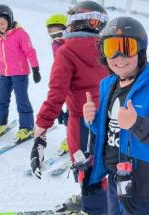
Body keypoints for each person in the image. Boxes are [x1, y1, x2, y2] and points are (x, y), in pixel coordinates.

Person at [83, 16, 149, 215]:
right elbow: (112, 128)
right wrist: (92, 120)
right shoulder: (108, 84)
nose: (119, 57)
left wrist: (137, 123)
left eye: (127, 48)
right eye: (112, 48)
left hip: (146, 182)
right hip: (116, 175)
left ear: (140, 51)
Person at [30, 1, 109, 214]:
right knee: (104, 165)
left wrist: (41, 127)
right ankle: (102, 203)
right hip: (112, 119)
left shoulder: (66, 52)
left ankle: (94, 208)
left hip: (82, 122)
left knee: (87, 169)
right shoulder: (109, 48)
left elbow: (56, 94)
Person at [0, 4, 40, 142]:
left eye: (2, 23)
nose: (0, 26)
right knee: (1, 99)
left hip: (20, 73)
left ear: (9, 20)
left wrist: (35, 69)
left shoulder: (20, 34)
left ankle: (27, 127)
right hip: (4, 73)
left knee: (21, 100)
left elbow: (30, 52)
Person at [45, 13, 69, 155]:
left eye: (59, 33)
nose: (56, 38)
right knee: (68, 113)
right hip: (65, 82)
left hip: (79, 84)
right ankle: (71, 135)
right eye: (52, 35)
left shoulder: (73, 44)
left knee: (77, 113)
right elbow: (58, 67)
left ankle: (78, 138)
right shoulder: (55, 45)